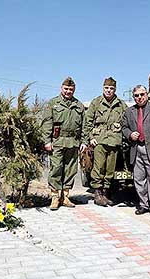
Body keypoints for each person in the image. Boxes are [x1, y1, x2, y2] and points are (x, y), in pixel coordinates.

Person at [41, 77, 86, 210]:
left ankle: (65, 196)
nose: (68, 91)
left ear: (74, 90)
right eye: (66, 89)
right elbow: (47, 123)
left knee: (70, 170)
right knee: (56, 168)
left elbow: (84, 126)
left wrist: (83, 141)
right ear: (61, 88)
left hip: (73, 142)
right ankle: (55, 197)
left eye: (71, 89)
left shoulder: (79, 105)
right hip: (57, 141)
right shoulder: (53, 103)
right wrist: (47, 141)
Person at [122, 85, 150, 219]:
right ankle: (144, 204)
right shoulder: (129, 111)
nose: (139, 97)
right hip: (137, 149)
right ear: (134, 96)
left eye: (142, 94)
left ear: (146, 94)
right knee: (139, 180)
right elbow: (124, 127)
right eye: (136, 95)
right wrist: (130, 134)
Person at [83, 77, 127, 206]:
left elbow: (127, 121)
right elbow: (88, 122)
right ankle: (98, 193)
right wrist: (91, 137)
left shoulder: (121, 104)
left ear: (115, 89)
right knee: (99, 168)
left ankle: (106, 193)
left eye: (111, 88)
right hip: (99, 141)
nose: (109, 91)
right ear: (103, 88)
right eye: (106, 88)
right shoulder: (96, 102)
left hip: (114, 141)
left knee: (110, 169)